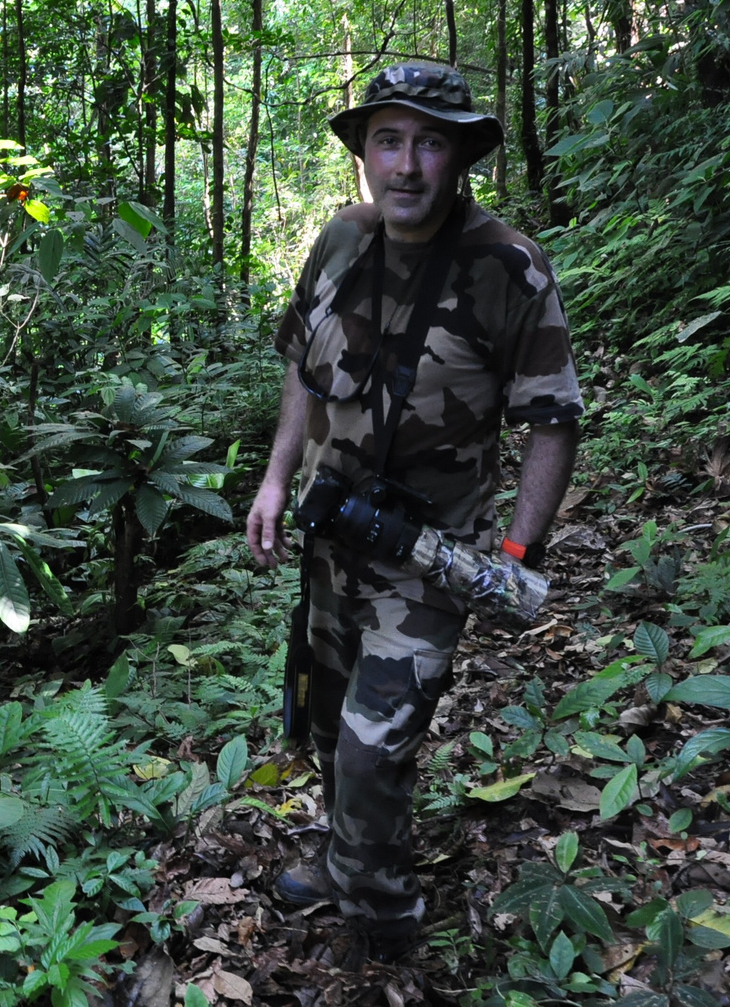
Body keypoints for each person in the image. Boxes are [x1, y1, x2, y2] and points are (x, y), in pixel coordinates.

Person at [244, 61, 584, 965]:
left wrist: (517, 548)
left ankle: (386, 925)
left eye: (429, 142)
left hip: (429, 558)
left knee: (372, 749)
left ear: (459, 156)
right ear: (363, 153)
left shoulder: (507, 266)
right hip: (330, 535)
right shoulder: (340, 241)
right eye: (387, 140)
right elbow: (301, 370)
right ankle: (346, 854)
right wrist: (277, 479)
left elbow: (553, 418)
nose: (405, 165)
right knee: (324, 728)